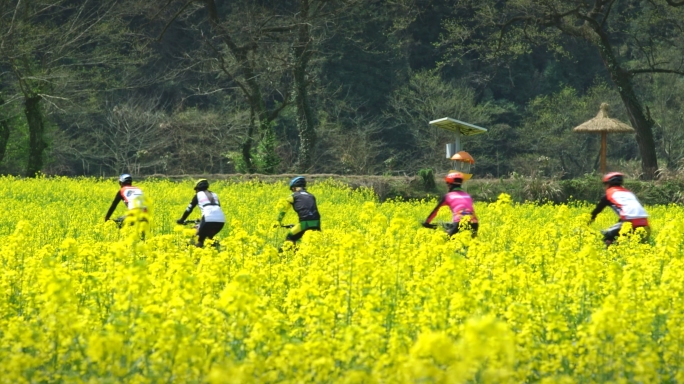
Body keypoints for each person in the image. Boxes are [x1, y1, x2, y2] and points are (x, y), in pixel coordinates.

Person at [590, 172, 650, 246]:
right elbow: (631, 211)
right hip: (645, 224)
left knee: (606, 237)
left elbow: (596, 212)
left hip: (628, 224)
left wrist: (585, 224)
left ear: (608, 184)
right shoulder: (629, 193)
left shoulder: (608, 194)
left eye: (605, 184)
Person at [422, 172, 478, 237]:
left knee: (447, 243)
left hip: (459, 222)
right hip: (474, 223)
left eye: (447, 183)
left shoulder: (448, 196)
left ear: (449, 184)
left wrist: (427, 222)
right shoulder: (467, 196)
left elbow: (435, 211)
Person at [176, 179, 225, 248]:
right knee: (209, 239)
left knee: (199, 239)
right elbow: (215, 208)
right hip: (221, 219)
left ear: (197, 189)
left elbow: (189, 209)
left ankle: (195, 254)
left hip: (207, 218)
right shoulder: (214, 194)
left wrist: (181, 220)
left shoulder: (198, 195)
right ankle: (216, 250)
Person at [277, 176, 321, 246]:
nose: (292, 191)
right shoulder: (311, 196)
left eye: (292, 189)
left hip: (304, 224)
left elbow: (283, 210)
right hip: (317, 223)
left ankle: (292, 255)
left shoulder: (293, 196)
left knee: (289, 238)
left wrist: (278, 221)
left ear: (294, 187)